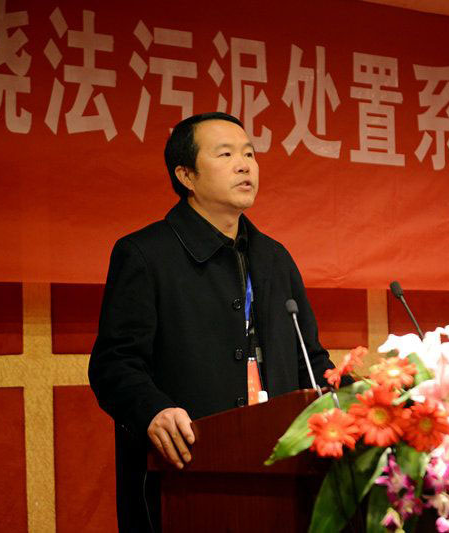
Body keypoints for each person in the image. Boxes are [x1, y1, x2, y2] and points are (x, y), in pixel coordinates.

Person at [88, 112, 343, 532]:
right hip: (185, 477)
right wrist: (153, 410)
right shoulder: (146, 255)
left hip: (279, 477)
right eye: (226, 155)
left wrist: (356, 403)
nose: (244, 165)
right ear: (186, 175)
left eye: (249, 154)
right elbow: (114, 364)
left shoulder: (274, 258)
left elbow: (310, 360)